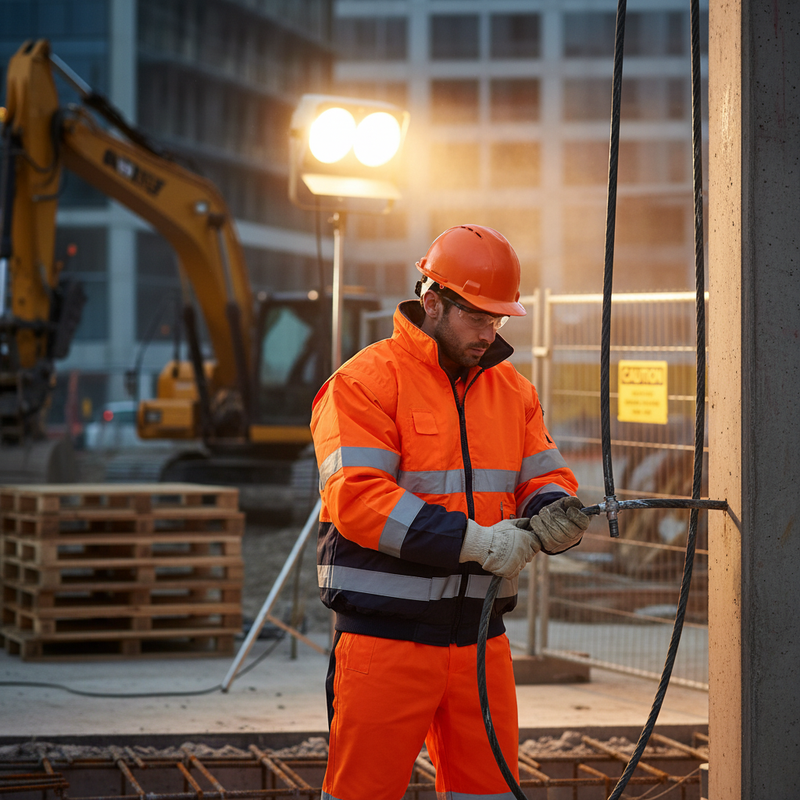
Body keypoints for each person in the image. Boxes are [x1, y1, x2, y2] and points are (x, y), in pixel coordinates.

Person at [311, 224, 589, 800]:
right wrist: (477, 543)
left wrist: (553, 513)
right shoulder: (364, 383)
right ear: (432, 302)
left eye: (499, 320)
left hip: (481, 642)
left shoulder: (513, 391)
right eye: (478, 317)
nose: (489, 333)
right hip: (385, 641)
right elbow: (358, 498)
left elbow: (544, 476)